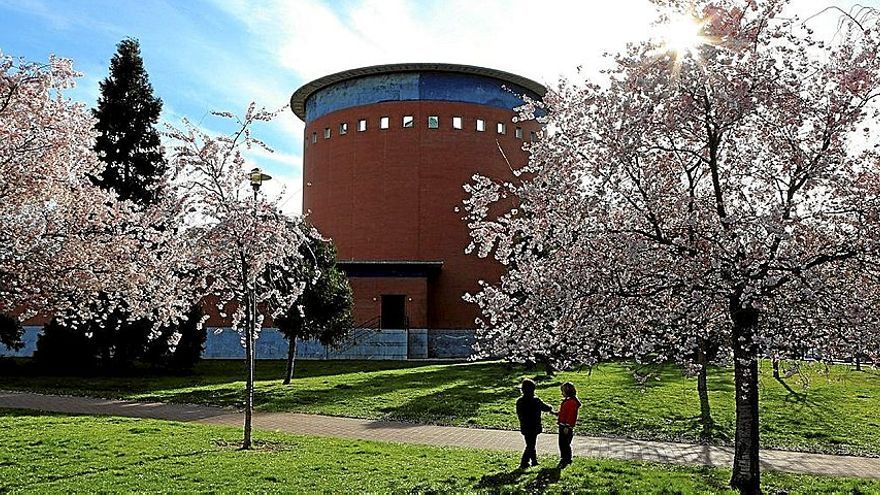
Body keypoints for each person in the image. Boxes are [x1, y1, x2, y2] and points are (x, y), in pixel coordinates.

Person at [515, 378, 555, 469]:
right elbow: (546, 407)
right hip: (534, 426)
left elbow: (519, 414)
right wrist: (551, 407)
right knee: (531, 445)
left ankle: (534, 461)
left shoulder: (520, 401)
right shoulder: (536, 400)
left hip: (525, 426)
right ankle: (524, 462)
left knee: (530, 443)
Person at [556, 381, 581, 468]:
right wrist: (558, 414)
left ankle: (566, 459)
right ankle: (565, 458)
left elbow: (571, 416)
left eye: (562, 391)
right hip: (563, 425)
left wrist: (567, 426)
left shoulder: (571, 403)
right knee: (562, 443)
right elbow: (565, 413)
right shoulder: (568, 401)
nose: (561, 393)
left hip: (566, 427)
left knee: (565, 444)